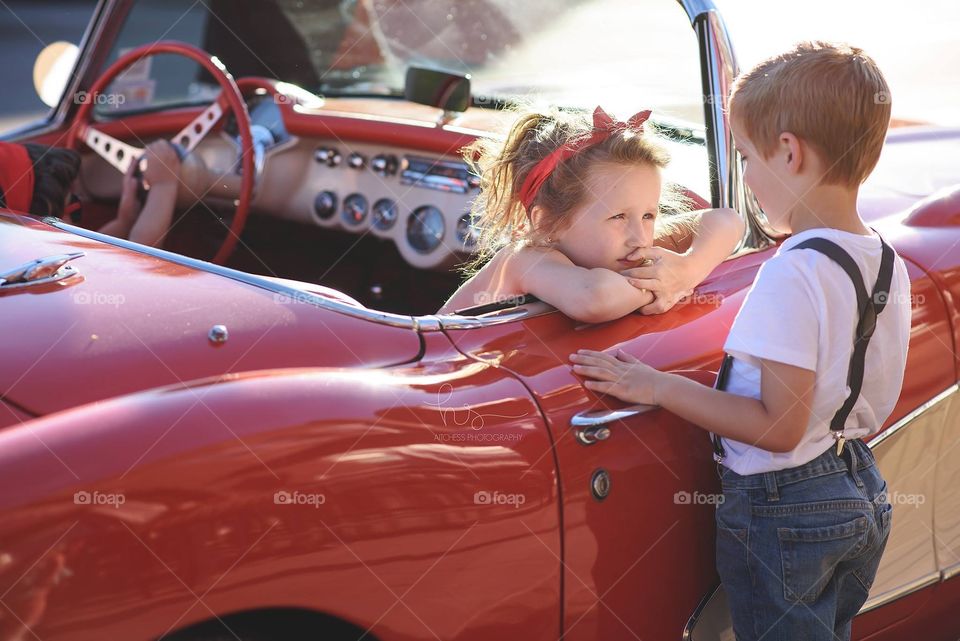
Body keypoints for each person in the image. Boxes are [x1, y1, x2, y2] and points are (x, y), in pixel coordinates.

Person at [571, 41, 908, 640]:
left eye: (747, 158)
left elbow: (778, 427)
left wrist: (656, 386)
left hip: (785, 506)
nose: (747, 177)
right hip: (857, 482)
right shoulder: (882, 257)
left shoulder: (792, 271)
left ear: (788, 152)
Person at [437, 105, 744, 321]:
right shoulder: (524, 260)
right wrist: (665, 284)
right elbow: (597, 297)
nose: (640, 235)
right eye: (618, 217)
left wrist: (687, 270)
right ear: (546, 223)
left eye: (649, 215)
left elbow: (727, 221)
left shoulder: (627, 245)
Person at [0, 139, 179, 248]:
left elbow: (92, 248)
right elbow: (142, 262)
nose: (80, 205)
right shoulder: (49, 267)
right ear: (40, 225)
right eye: (73, 204)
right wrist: (164, 185)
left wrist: (125, 221)